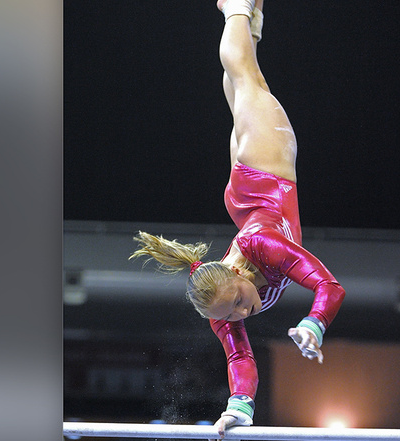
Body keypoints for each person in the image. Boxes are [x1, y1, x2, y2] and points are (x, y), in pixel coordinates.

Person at [129, 0, 345, 437]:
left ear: (232, 271)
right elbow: (239, 358)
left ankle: (236, 9)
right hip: (246, 199)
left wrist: (314, 324)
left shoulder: (261, 247)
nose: (247, 312)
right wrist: (239, 407)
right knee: (247, 83)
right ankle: (252, 25)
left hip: (267, 171)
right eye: (237, 312)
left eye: (241, 301)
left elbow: (328, 285)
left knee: (247, 80)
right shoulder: (222, 311)